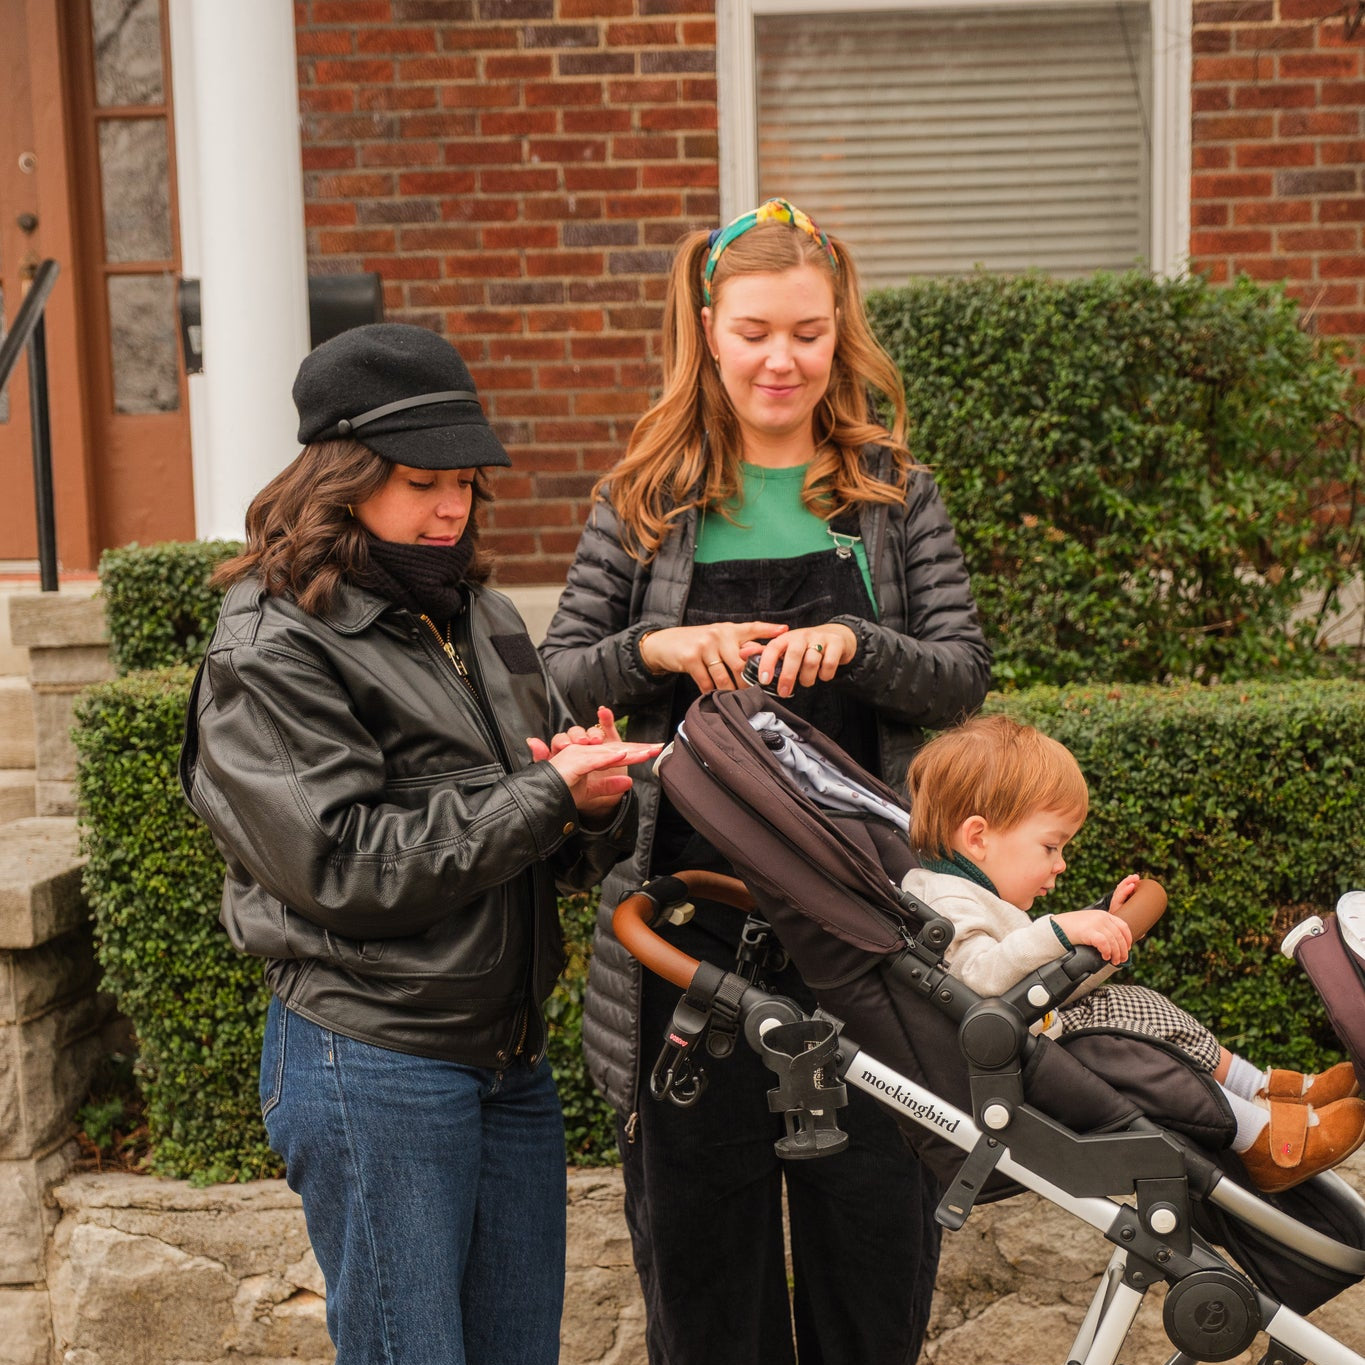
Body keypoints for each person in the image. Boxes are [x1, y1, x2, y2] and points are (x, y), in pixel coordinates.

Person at [540, 198, 992, 1365]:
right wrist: (658, 650)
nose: (781, 360)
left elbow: (962, 676)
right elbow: (548, 681)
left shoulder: (893, 497)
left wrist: (861, 644)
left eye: (808, 332)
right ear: (706, 327)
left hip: (872, 941)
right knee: (704, 1277)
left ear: (840, 329)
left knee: (873, 1260)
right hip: (689, 943)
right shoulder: (643, 501)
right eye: (753, 333)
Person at [178, 323, 663, 1365]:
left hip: (505, 1060)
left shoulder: (478, 618)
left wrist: (586, 806)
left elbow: (546, 854)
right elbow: (345, 864)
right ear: (343, 478)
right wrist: (540, 795)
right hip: (373, 1058)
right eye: (422, 482)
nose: (453, 508)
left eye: (466, 483)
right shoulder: (271, 643)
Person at [902, 712, 1365, 1194]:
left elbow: (1034, 980)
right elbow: (980, 978)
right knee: (1133, 1052)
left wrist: (1101, 931)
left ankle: (1262, 1089)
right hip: (1022, 1060)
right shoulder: (948, 901)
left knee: (1141, 1003)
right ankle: (1262, 1141)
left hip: (1043, 1032)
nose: (1060, 864)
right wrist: (1060, 930)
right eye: (1050, 846)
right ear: (978, 837)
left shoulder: (969, 891)